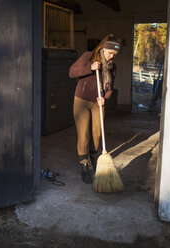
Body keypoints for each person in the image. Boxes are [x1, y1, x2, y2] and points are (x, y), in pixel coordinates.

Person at [69, 34, 121, 184]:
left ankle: (93, 157)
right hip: (81, 101)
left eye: (115, 54)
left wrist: (105, 97)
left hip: (98, 102)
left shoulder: (113, 67)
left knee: (97, 133)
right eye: (110, 53)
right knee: (83, 134)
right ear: (104, 49)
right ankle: (84, 164)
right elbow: (72, 72)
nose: (112, 57)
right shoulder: (88, 56)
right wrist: (89, 68)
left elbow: (110, 87)